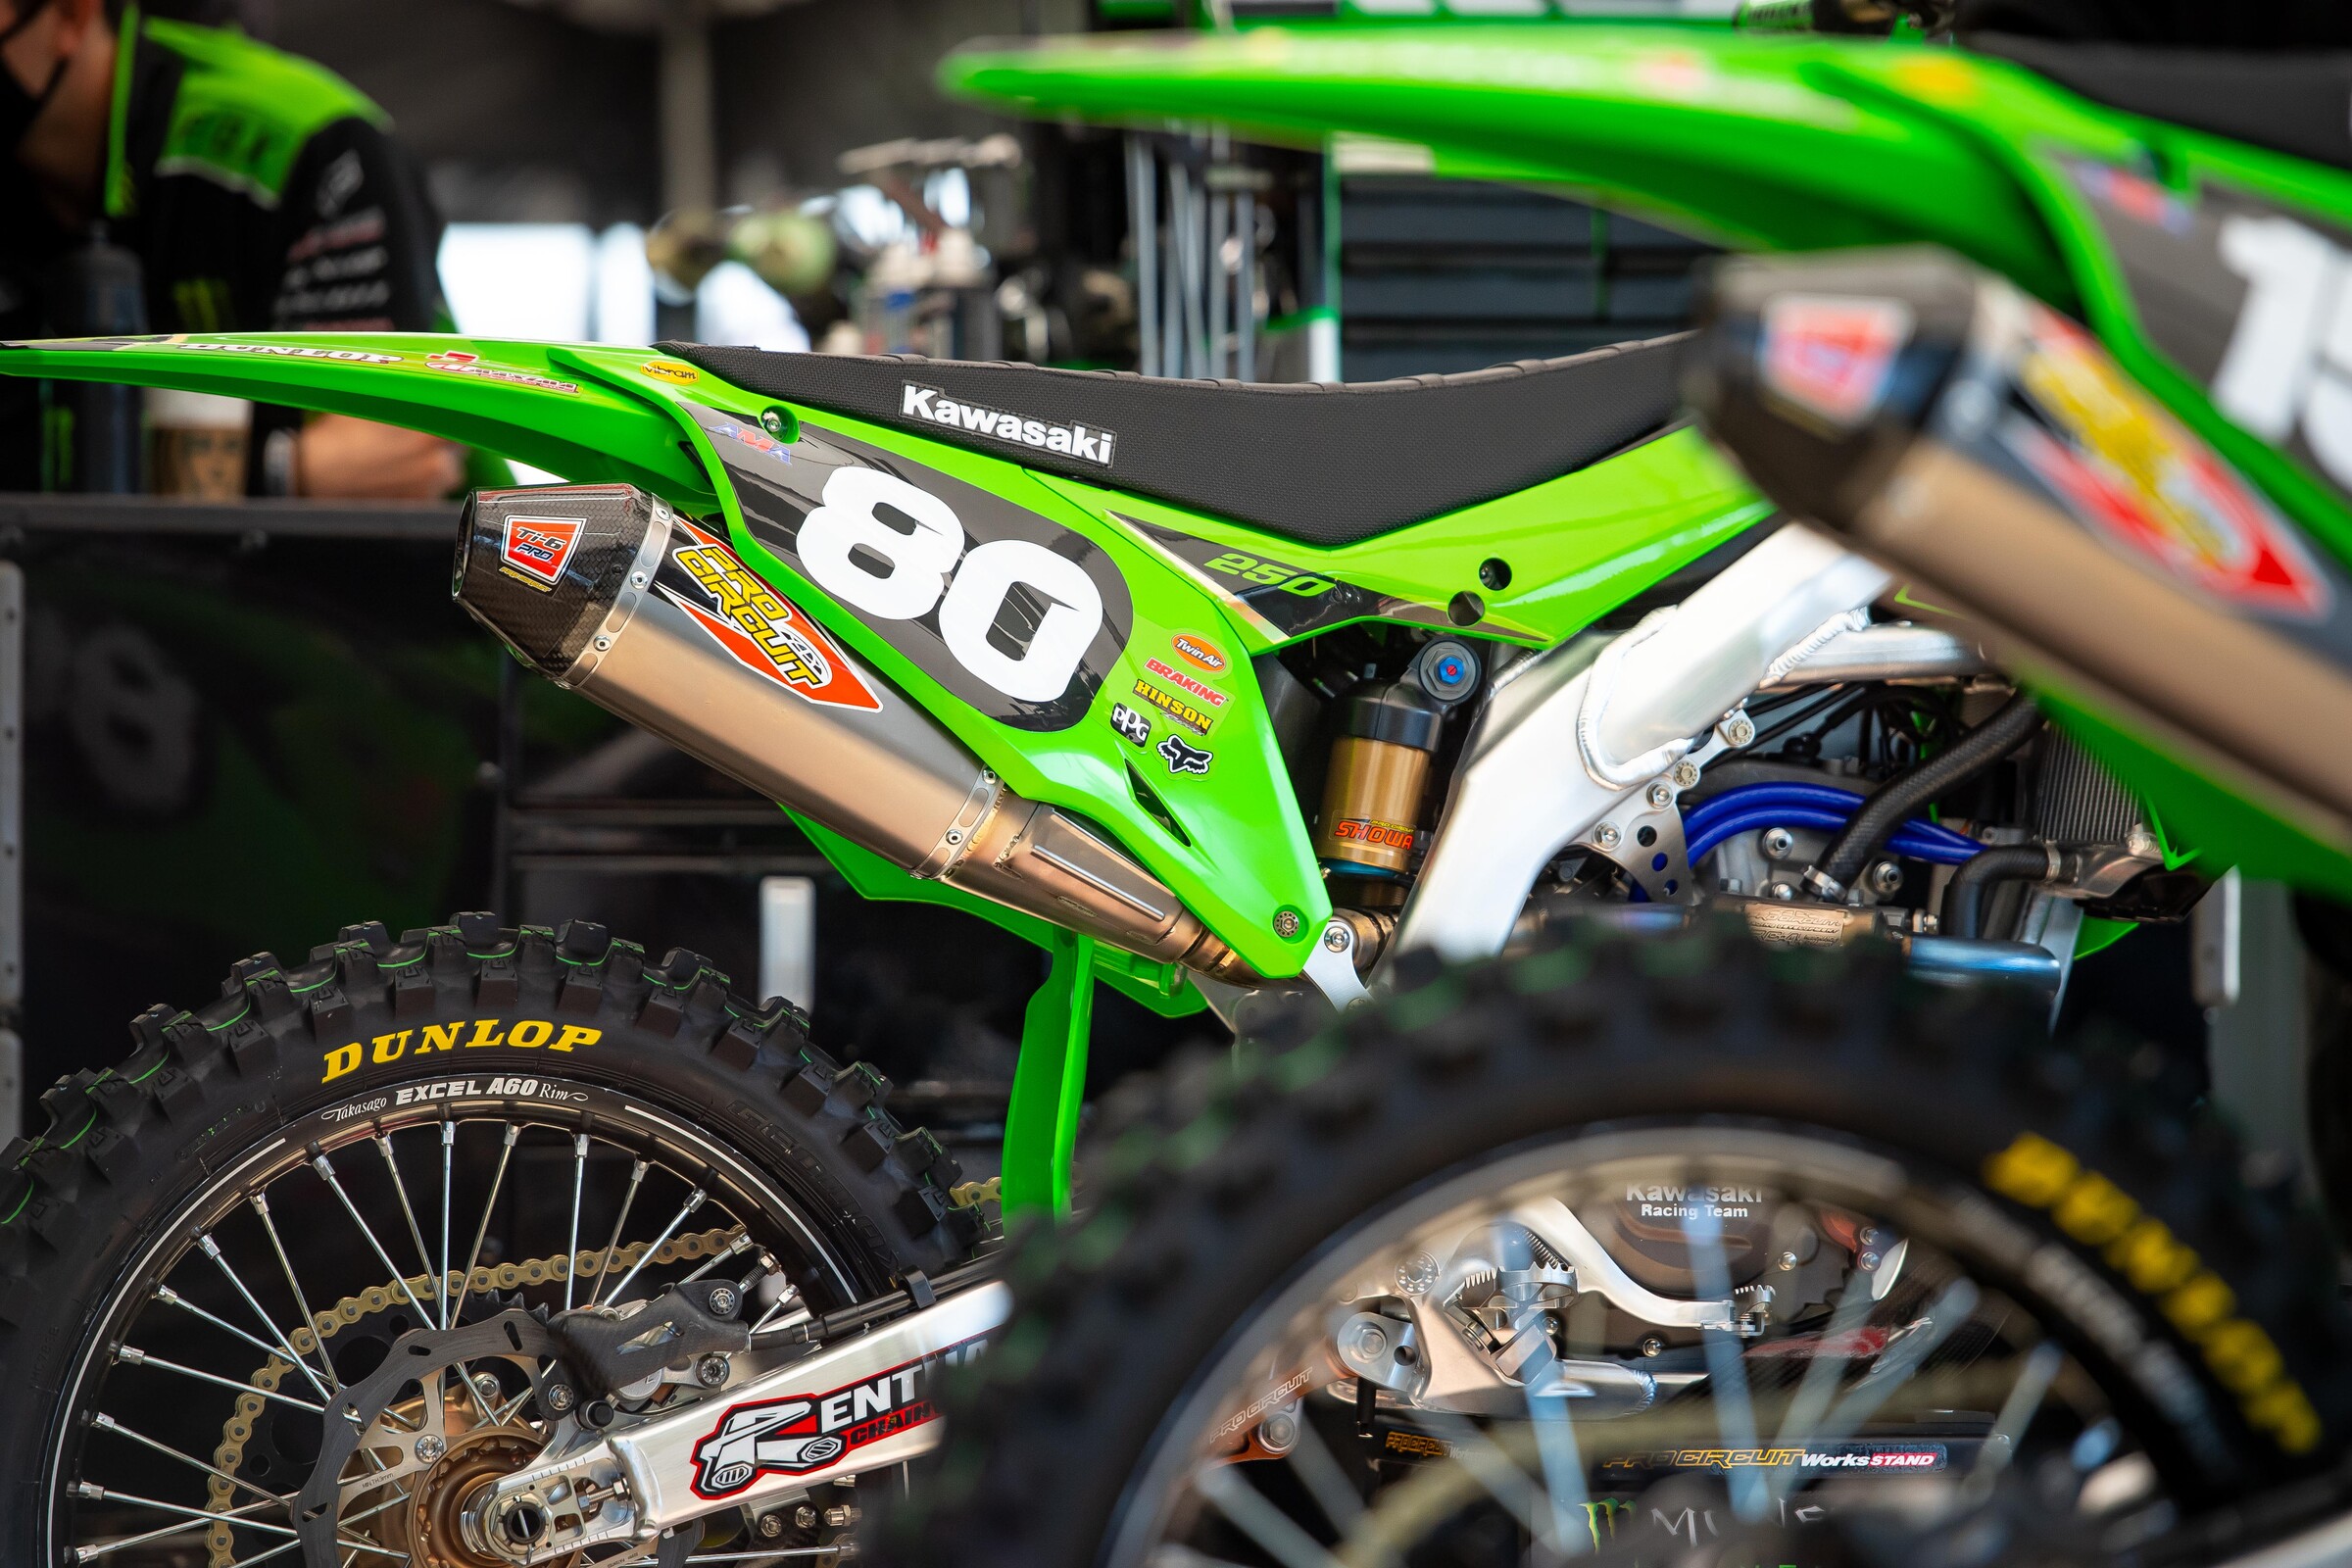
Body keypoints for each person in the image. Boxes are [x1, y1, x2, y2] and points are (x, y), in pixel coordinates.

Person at [0, 0, 462, 497]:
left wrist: (279, 472)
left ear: (70, 15)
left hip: (459, 559)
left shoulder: (309, 144)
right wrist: (287, 472)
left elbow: (397, 459)